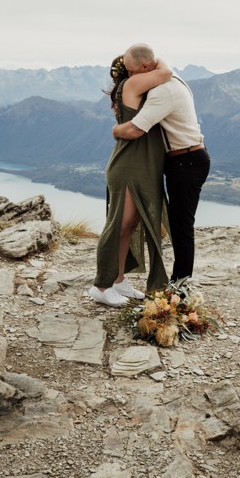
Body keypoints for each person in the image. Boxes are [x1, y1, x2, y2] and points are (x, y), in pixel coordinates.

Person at [113, 43, 209, 284]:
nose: (130, 77)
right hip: (186, 159)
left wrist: (116, 130)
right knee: (179, 224)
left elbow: (135, 129)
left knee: (181, 226)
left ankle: (180, 285)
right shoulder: (171, 77)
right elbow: (163, 66)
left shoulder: (162, 91)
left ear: (146, 66)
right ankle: (179, 282)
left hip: (185, 161)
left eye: (132, 72)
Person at [90, 54, 174, 306]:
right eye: (138, 68)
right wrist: (154, 59)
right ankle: (101, 286)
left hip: (142, 166)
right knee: (119, 225)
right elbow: (166, 72)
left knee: (129, 225)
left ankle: (118, 280)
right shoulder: (131, 84)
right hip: (128, 166)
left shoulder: (134, 85)